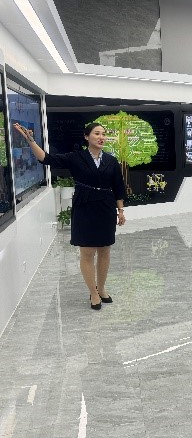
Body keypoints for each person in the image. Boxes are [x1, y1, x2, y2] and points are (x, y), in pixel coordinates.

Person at [13, 122, 127, 311]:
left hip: (105, 208)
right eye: (97, 133)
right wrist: (31, 141)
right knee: (87, 252)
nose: (101, 137)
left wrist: (120, 210)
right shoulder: (76, 157)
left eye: (103, 134)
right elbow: (46, 158)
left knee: (105, 250)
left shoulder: (111, 161)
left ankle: (102, 288)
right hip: (84, 207)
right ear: (86, 136)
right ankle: (93, 292)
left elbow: (118, 186)